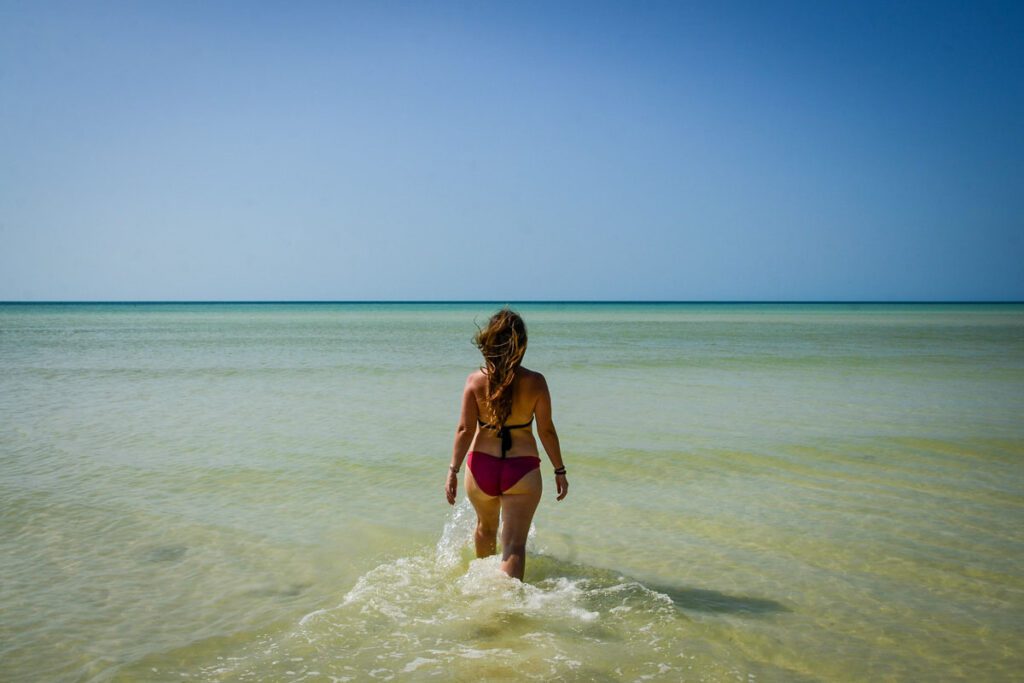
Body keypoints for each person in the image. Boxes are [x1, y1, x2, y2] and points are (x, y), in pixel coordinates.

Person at [444, 308, 568, 580]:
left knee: (485, 530)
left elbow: (465, 429)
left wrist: (452, 470)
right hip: (521, 470)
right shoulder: (535, 382)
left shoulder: (475, 381)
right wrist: (559, 470)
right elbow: (546, 431)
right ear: (520, 345)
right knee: (514, 546)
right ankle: (505, 604)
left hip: (481, 467)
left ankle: (481, 589)